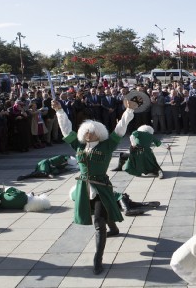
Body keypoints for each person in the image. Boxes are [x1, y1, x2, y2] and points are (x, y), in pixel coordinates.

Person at [51, 97, 136, 274]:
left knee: (98, 221)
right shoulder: (79, 145)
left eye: (93, 131)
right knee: (103, 215)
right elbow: (66, 129)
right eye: (87, 131)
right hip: (84, 189)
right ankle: (113, 227)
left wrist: (129, 111)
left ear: (100, 133)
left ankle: (98, 258)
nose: (90, 134)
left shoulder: (107, 145)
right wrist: (59, 111)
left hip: (101, 188)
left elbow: (120, 129)